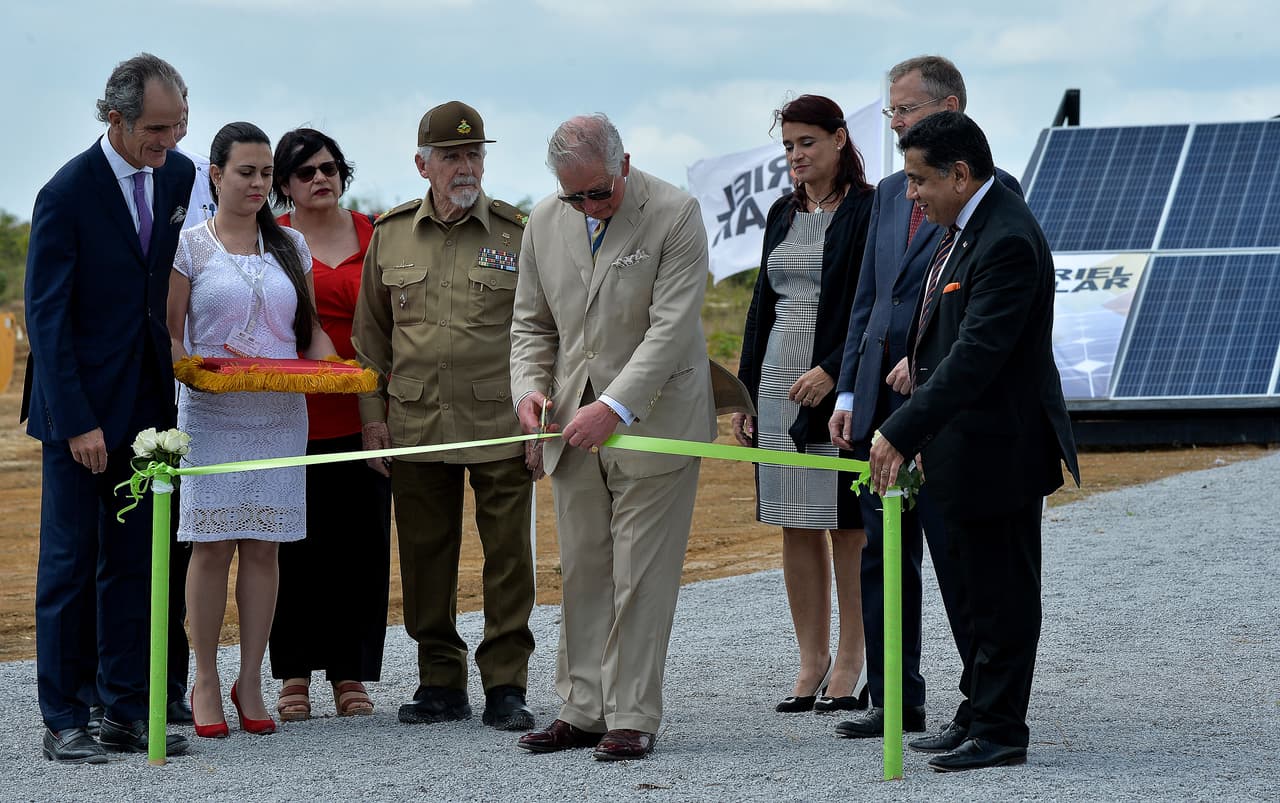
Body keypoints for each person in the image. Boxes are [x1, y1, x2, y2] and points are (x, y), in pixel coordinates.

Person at [867, 110, 1079, 771]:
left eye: (919, 180)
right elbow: (948, 337)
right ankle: (976, 708)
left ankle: (1001, 729)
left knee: (1003, 594)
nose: (912, 195)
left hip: (1001, 449)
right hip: (962, 449)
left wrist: (901, 430)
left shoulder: (1007, 237)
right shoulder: (962, 231)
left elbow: (980, 352)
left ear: (960, 174)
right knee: (975, 591)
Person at [828, 55, 1024, 741]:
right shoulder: (890, 193)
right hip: (885, 411)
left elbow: (977, 317)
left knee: (962, 563)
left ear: (951, 111)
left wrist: (927, 359)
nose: (895, 123)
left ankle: (986, 707)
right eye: (891, 113)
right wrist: (850, 386)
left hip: (947, 413)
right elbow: (868, 299)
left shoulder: (996, 204)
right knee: (883, 557)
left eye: (906, 111)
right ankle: (895, 697)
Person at [510, 114, 716, 761]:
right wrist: (529, 390)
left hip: (656, 423)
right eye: (575, 196)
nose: (588, 206)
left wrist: (615, 405)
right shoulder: (544, 221)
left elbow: (672, 328)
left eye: (598, 192)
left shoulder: (676, 214)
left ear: (624, 165)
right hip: (570, 430)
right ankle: (580, 707)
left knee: (641, 576)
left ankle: (631, 713)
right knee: (584, 570)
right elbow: (530, 323)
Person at [24, 53, 194, 764]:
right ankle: (64, 715)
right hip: (81, 415)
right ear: (115, 118)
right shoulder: (66, 192)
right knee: (71, 560)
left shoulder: (181, 175)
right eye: (158, 128)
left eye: (180, 124)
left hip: (153, 407)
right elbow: (47, 317)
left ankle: (127, 708)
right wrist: (77, 421)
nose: (170, 141)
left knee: (137, 561)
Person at [351, 101, 536, 732]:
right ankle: (439, 680)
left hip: (500, 425)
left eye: (474, 153)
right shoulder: (391, 233)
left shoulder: (520, 233)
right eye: (452, 155)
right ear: (422, 164)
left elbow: (546, 332)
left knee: (509, 559)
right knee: (426, 556)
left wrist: (539, 415)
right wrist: (373, 421)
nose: (465, 166)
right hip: (417, 426)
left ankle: (507, 684)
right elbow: (369, 341)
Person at [168, 121, 336, 739]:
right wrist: (190, 373)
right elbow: (172, 335)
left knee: (265, 549)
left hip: (281, 415)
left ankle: (251, 678)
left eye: (267, 173)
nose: (259, 183)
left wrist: (339, 370)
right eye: (246, 172)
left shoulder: (292, 248)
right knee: (210, 548)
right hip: (212, 416)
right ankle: (205, 679)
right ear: (216, 175)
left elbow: (311, 333)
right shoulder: (188, 247)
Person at [733, 95, 874, 714]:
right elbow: (760, 305)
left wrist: (835, 370)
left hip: (834, 382)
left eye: (807, 143)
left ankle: (851, 662)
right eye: (788, 146)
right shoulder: (779, 214)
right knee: (795, 524)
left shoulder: (871, 209)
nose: (796, 156)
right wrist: (741, 391)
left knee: (846, 525)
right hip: (775, 377)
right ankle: (810, 661)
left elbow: (873, 306)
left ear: (839, 139)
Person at [269, 128, 392, 720]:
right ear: (283, 185)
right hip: (289, 417)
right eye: (305, 171)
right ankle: (292, 673)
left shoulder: (377, 236)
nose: (321, 177)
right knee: (291, 550)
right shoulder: (271, 241)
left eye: (329, 167)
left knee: (360, 548)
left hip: (368, 415)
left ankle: (351, 675)